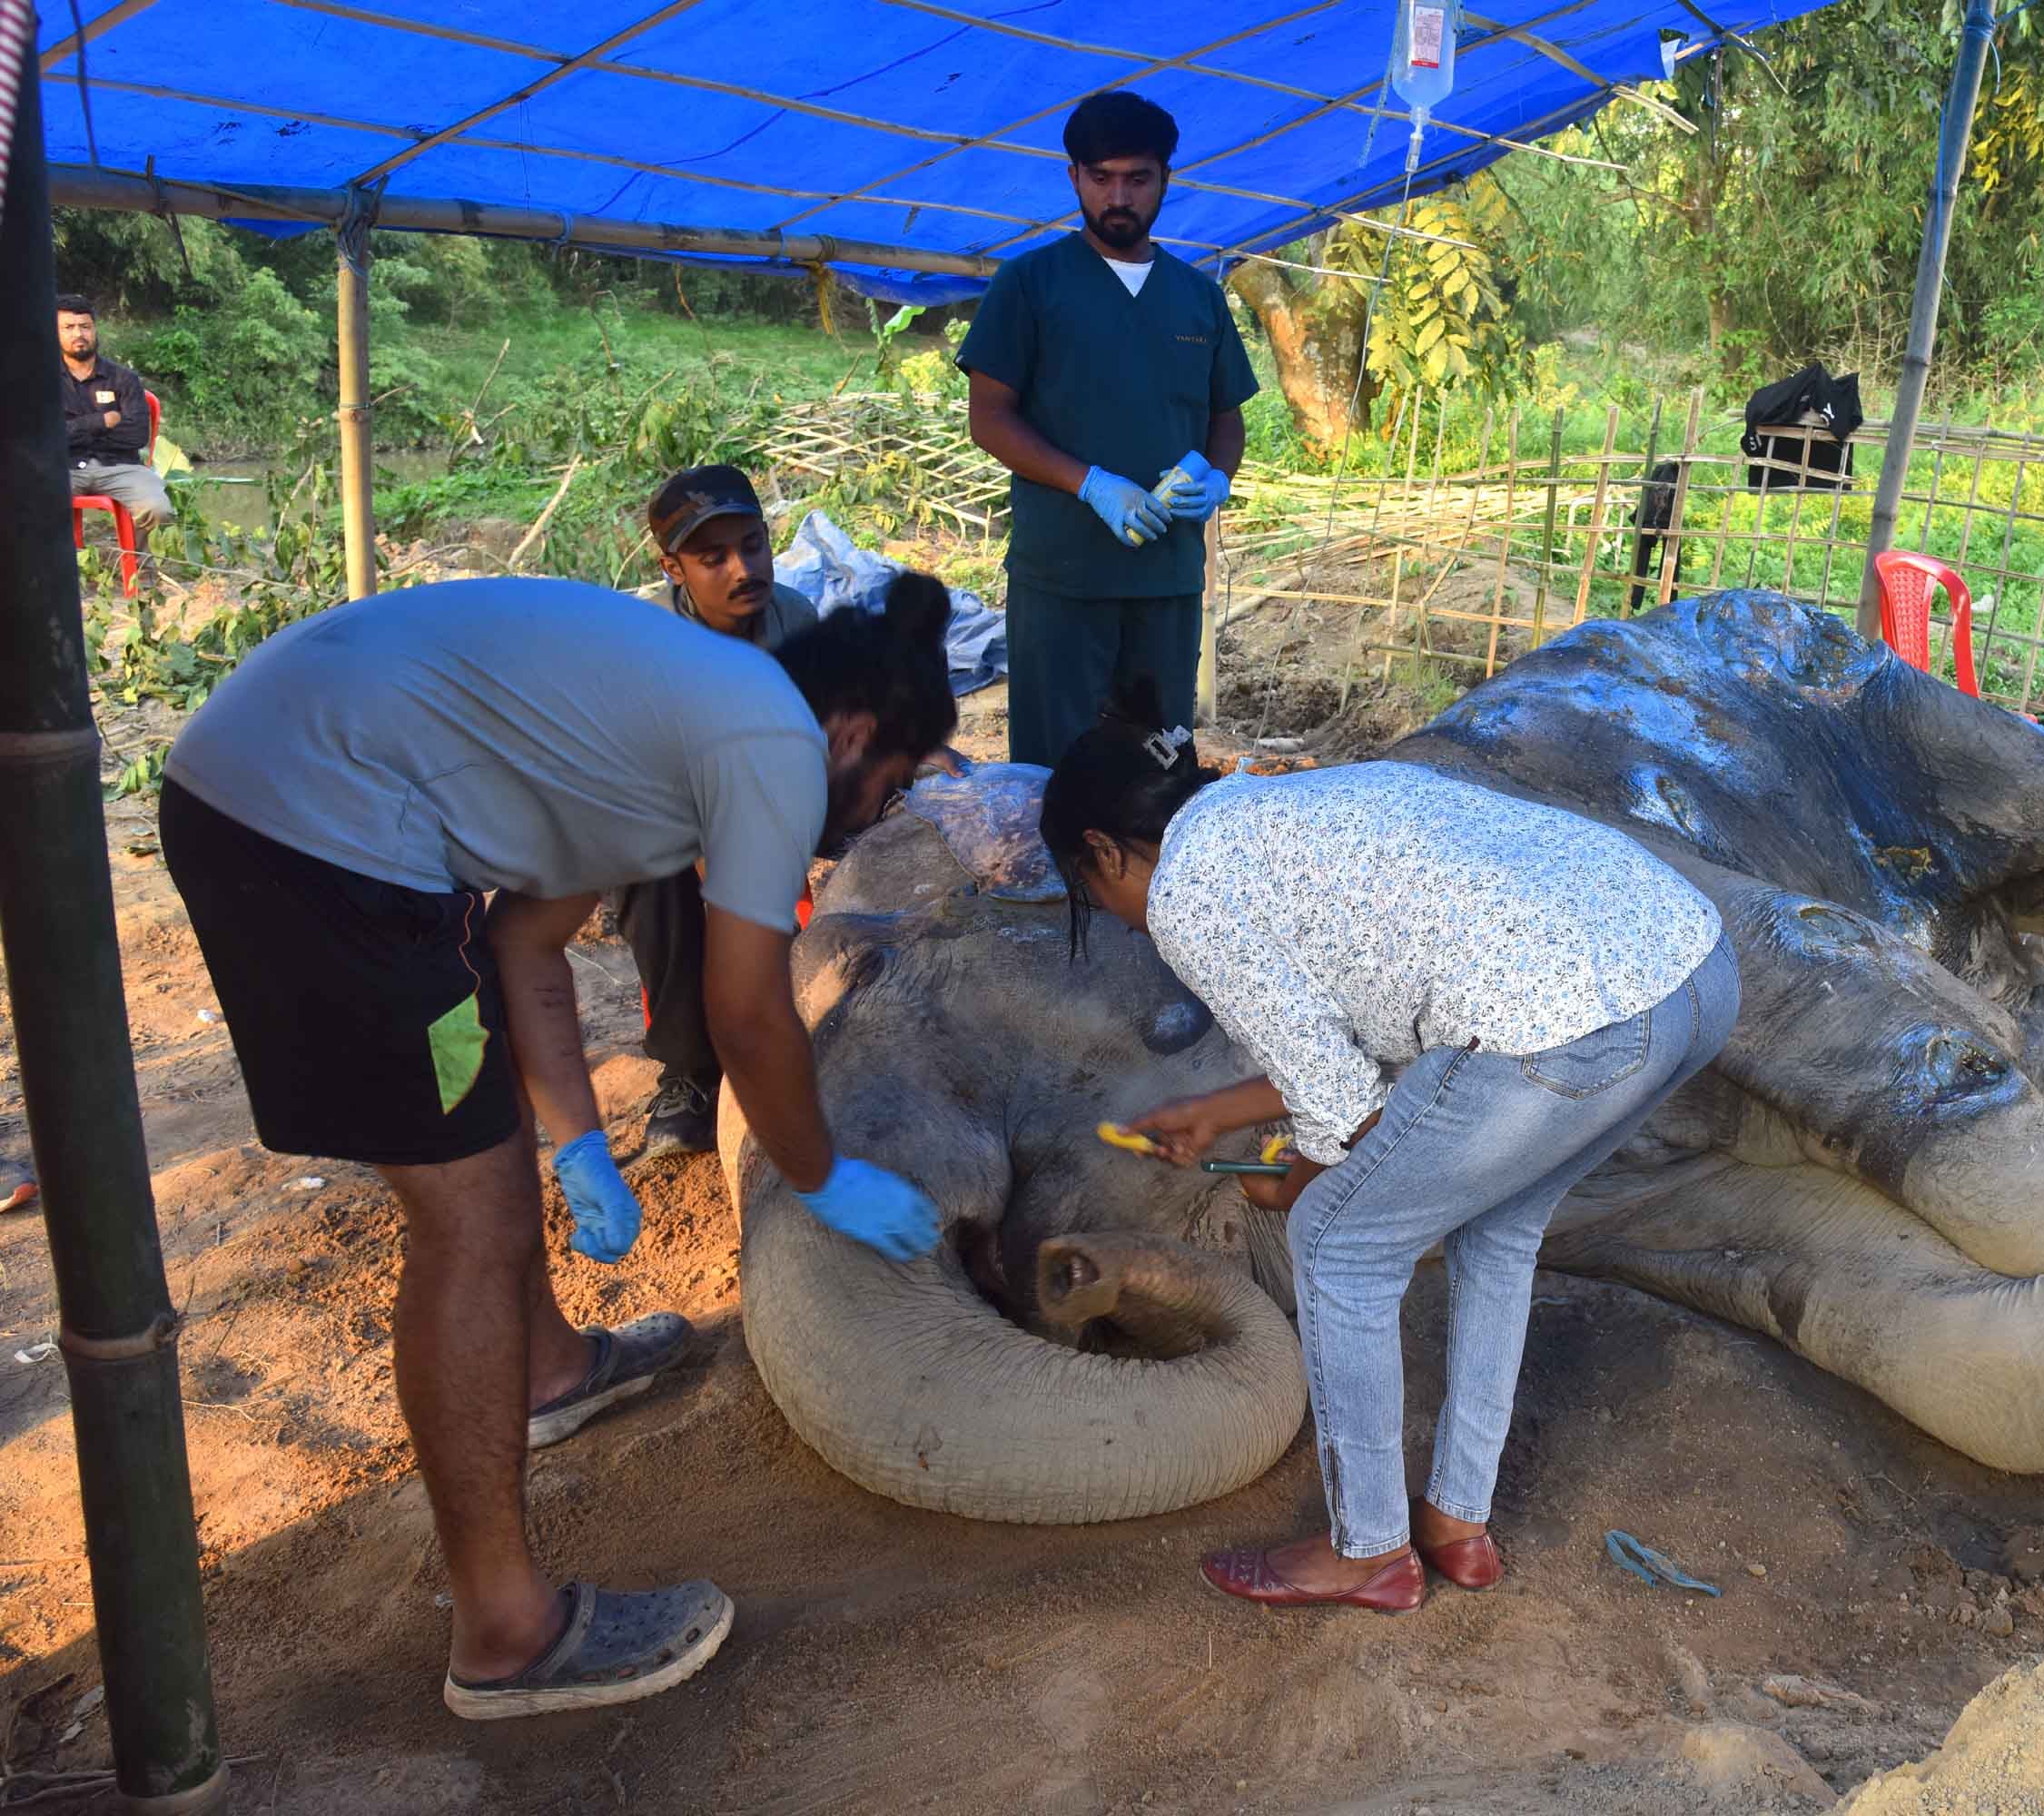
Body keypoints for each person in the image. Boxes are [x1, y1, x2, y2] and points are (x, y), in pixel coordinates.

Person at [159, 576, 959, 1717]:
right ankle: (506, 1632)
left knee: (479, 1151)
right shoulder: (772, 741)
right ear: (854, 732)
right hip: (315, 833)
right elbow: (747, 1010)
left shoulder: (680, 730)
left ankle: (545, 1370)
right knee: (471, 1220)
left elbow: (524, 946)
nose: (876, 814)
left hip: (281, 795)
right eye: (889, 786)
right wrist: (823, 1172)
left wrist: (579, 1142)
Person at [1040, 682, 1741, 1612]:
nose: (1115, 910)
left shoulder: (1185, 891)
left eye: (1088, 889)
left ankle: (1368, 1547)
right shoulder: (1264, 810)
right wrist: (1224, 1111)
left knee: (1337, 1240)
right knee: (1498, 1223)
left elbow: (1342, 1110)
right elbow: (1354, 1027)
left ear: (1100, 850)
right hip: (1687, 968)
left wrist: (1292, 1178)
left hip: (1568, 1021)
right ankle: (1457, 1521)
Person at [959, 89, 1259, 766]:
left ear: (1164, 181)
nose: (1118, 196)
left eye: (1137, 178)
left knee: (1158, 761)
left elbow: (1225, 420)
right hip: (1062, 576)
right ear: (1074, 179)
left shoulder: (1198, 297)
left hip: (1168, 579)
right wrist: (1090, 484)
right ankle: (1060, 877)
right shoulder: (1031, 284)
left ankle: (1150, 875)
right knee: (1055, 767)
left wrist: (1216, 479)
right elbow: (990, 419)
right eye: (1101, 178)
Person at [622, 463, 827, 1158]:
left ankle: (819, 1018)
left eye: (754, 544)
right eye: (713, 558)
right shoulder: (644, 641)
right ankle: (689, 1073)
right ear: (672, 567)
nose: (744, 569)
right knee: (650, 876)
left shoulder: (795, 619)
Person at [58, 293, 173, 527]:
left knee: (158, 509)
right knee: (24, 499)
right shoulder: (41, 379)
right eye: (68, 327)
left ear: (95, 330)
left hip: (120, 467)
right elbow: (46, 436)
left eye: (85, 327)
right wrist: (101, 422)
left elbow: (137, 435)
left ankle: (140, 562)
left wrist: (74, 431)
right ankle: (51, 563)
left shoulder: (124, 378)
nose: (78, 334)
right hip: (63, 468)